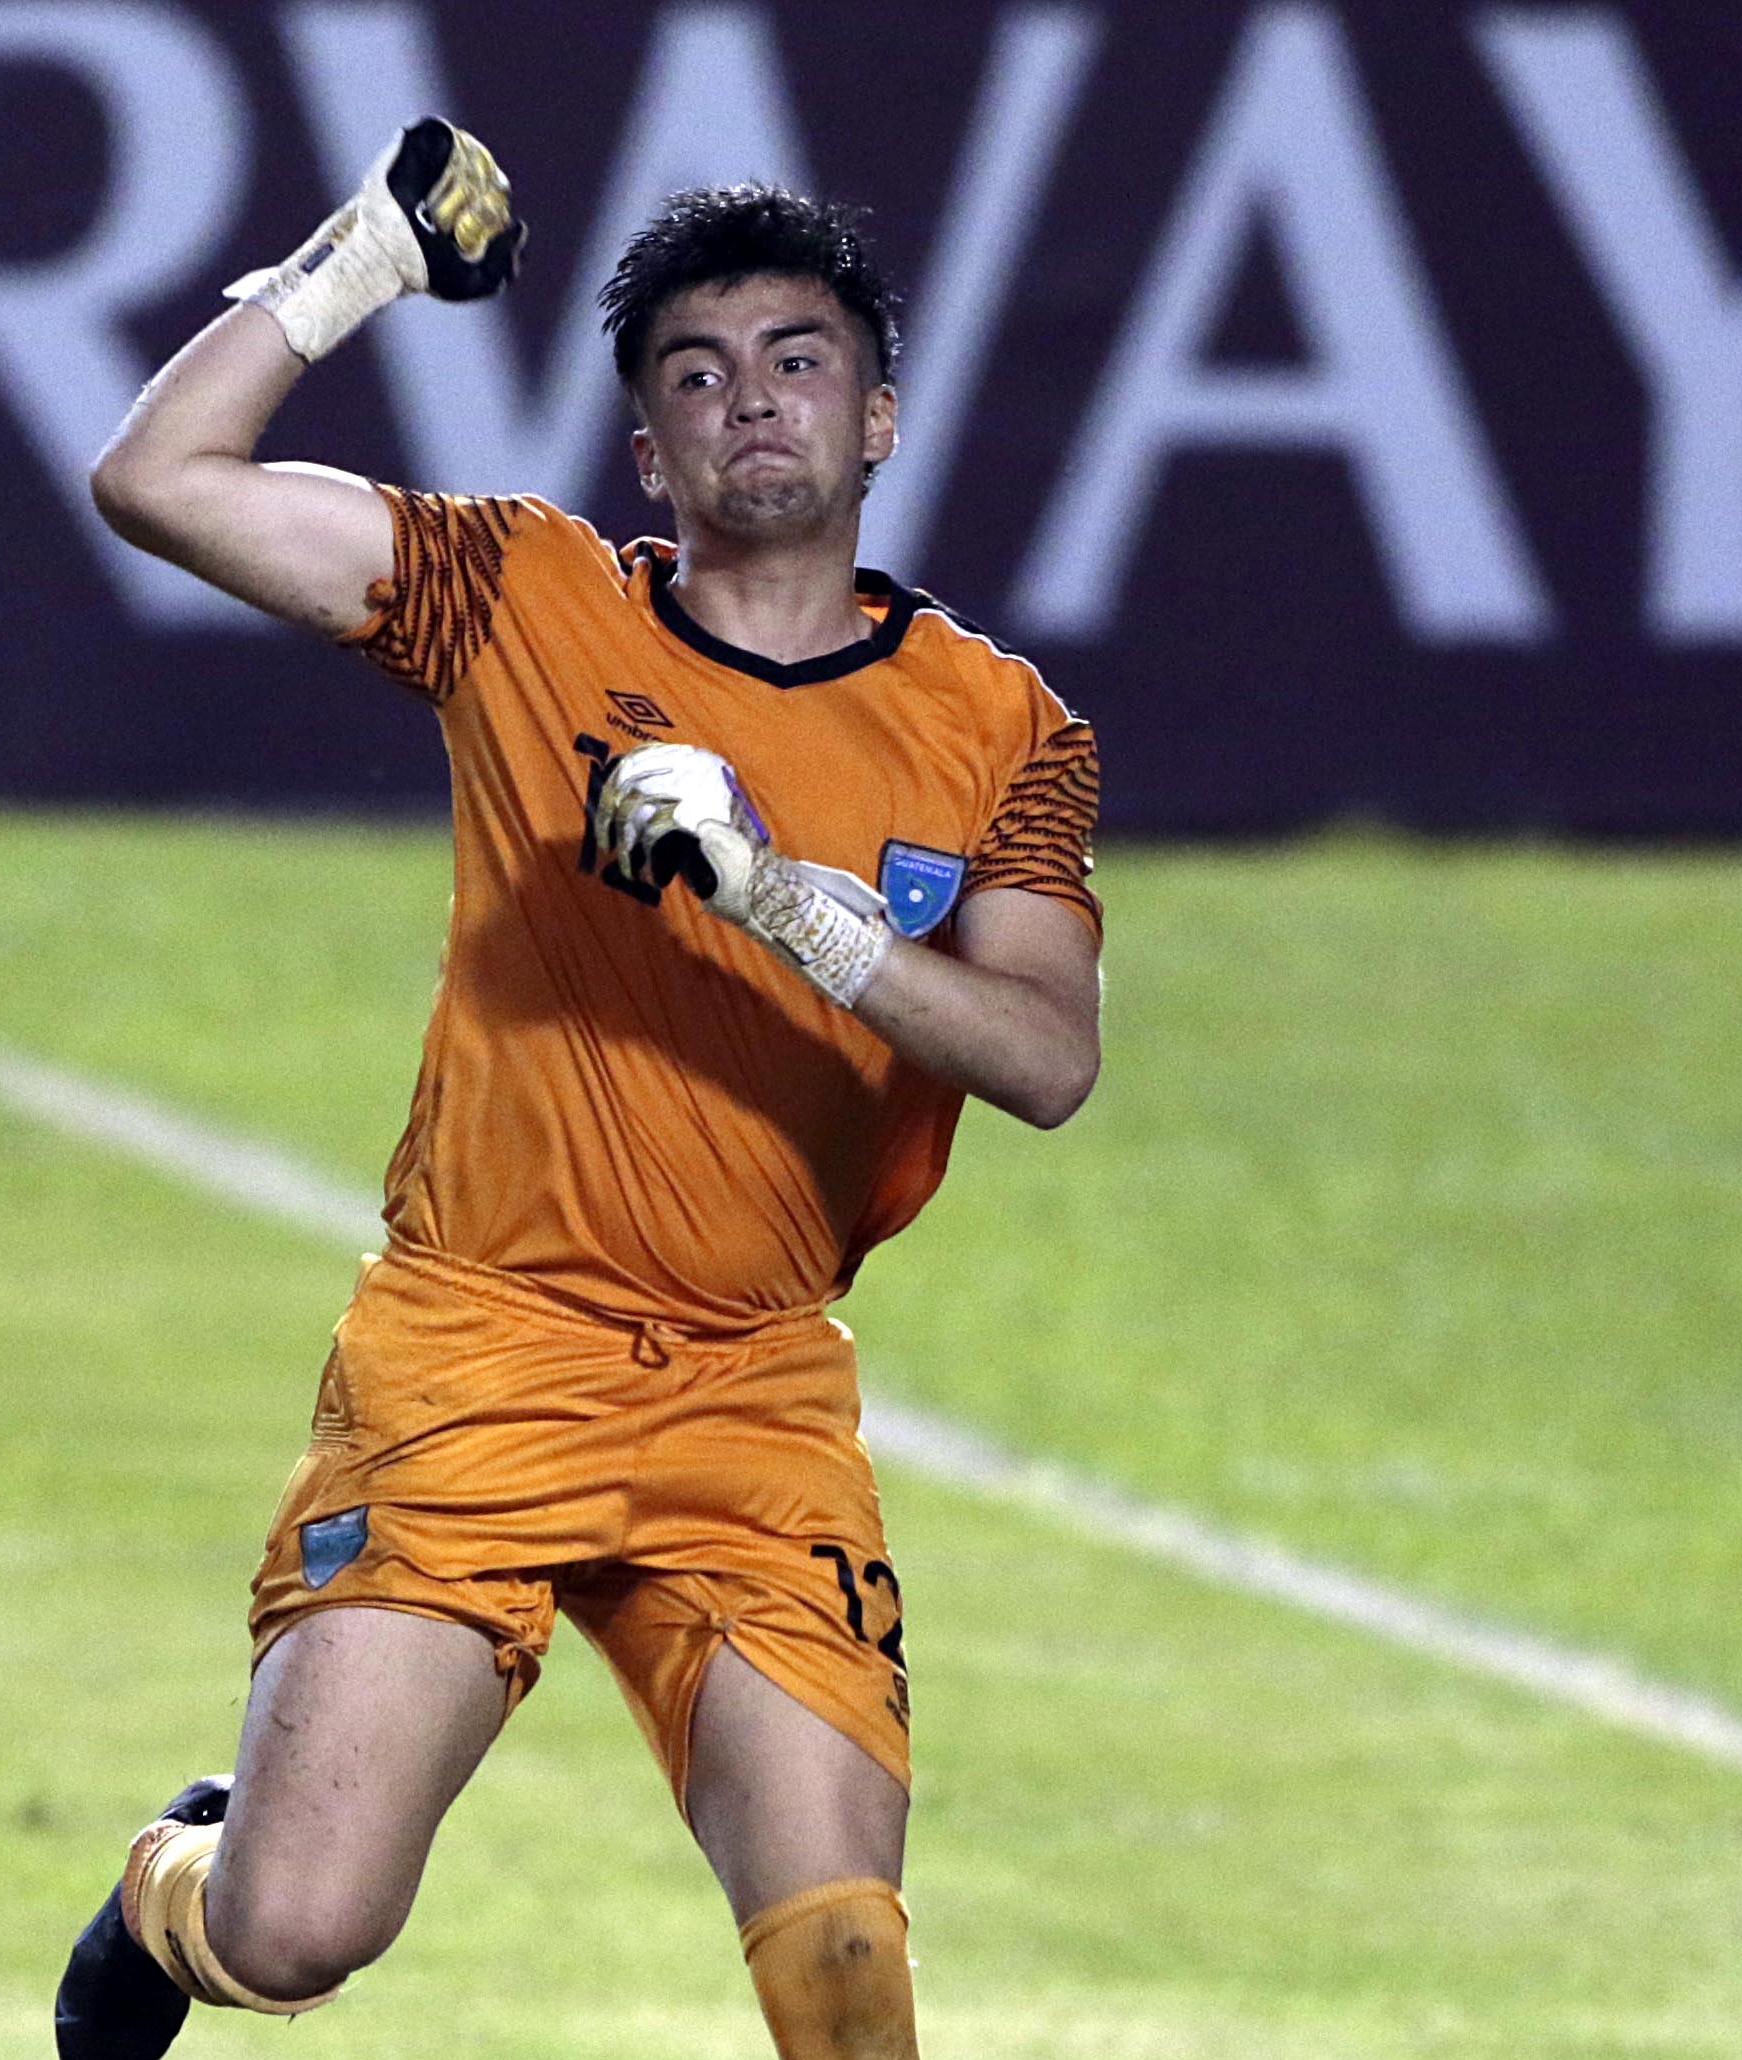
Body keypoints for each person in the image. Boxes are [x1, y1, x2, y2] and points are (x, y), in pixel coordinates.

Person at [56, 119, 1104, 2060]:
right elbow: (155, 480)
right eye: (694, 377)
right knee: (296, 1933)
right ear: (648, 455)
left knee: (847, 1985)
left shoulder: (1002, 730)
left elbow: (1046, 1060)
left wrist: (774, 895)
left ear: (878, 418)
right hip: (481, 1344)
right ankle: (170, 1890)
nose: (749, 401)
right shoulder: (519, 598)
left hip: (753, 1384)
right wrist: (358, 265)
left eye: (797, 360)